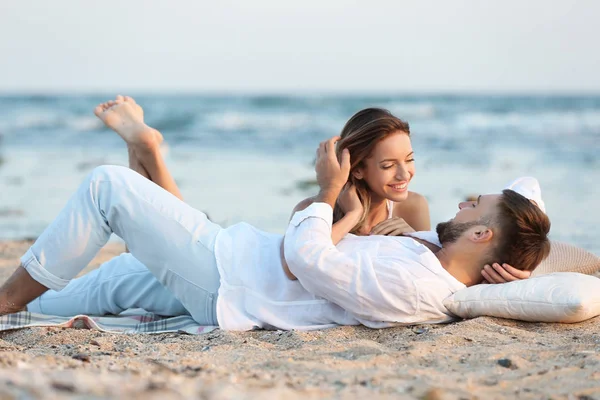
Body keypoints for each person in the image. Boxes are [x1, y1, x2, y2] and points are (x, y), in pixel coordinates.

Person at [0, 108, 551, 330]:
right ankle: (17, 300)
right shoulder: (437, 252)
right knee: (66, 297)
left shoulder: (413, 280)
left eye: (476, 207)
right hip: (232, 259)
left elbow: (302, 262)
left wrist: (331, 191)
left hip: (229, 278)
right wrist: (517, 268)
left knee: (107, 187)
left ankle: (10, 298)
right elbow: (524, 205)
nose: (467, 198)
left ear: (480, 233)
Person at [98, 96, 529, 283]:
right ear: (356, 170)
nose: (405, 175)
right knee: (175, 226)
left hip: (234, 262)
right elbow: (294, 264)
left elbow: (449, 264)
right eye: (389, 165)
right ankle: (150, 153)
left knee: (156, 229)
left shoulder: (414, 209)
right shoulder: (316, 206)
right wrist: (351, 220)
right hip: (242, 262)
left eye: (410, 160)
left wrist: (509, 273)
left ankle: (148, 153)